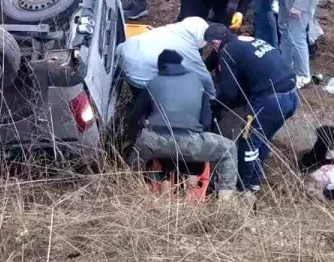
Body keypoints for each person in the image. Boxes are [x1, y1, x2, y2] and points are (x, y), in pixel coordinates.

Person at [203, 24, 298, 193]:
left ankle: (243, 187)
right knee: (262, 138)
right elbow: (211, 63)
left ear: (215, 43)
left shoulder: (227, 52)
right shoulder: (247, 42)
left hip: (270, 101)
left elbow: (230, 93)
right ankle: (254, 182)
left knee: (248, 142)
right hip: (291, 95)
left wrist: (213, 105)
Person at [127, 49, 237, 193]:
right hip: (191, 142)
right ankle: (225, 200)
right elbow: (205, 122)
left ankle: (132, 190)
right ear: (181, 64)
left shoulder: (152, 83)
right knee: (229, 149)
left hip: (155, 142)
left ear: (160, 66)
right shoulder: (198, 82)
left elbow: (135, 116)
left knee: (133, 162)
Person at [119, 17, 215, 96]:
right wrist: (212, 95)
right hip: (139, 72)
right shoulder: (187, 48)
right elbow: (203, 76)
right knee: (148, 97)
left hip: (125, 53)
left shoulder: (169, 29)